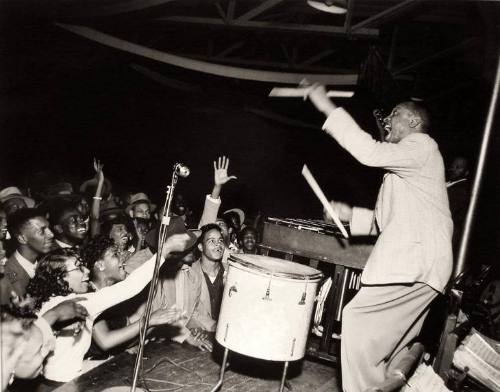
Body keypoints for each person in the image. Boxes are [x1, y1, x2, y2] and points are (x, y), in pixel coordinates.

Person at [307, 85, 453, 392]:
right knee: (395, 352)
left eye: (395, 114)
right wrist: (349, 216)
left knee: (356, 320)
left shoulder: (422, 145)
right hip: (424, 268)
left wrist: (327, 107)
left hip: (415, 264)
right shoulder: (403, 170)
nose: (387, 119)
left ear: (414, 122)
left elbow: (369, 151)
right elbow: (384, 226)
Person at [26, 233, 192, 384]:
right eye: (78, 267)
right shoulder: (79, 303)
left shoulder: (49, 301)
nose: (86, 272)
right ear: (61, 277)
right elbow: (129, 287)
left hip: (52, 381)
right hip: (63, 385)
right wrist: (164, 251)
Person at [81, 236, 182, 357]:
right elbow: (105, 342)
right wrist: (148, 321)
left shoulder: (114, 295)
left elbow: (125, 336)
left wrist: (156, 322)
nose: (122, 258)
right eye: (115, 255)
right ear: (100, 265)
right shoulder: (89, 295)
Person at [0, 209, 54, 304]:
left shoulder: (51, 263)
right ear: (22, 239)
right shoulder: (6, 276)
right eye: (42, 231)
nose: (51, 234)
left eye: (49, 228)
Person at [446, 156, 471, 253]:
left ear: (466, 172)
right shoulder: (449, 184)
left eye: (458, 167)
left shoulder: (461, 191)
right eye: (453, 166)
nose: (453, 169)